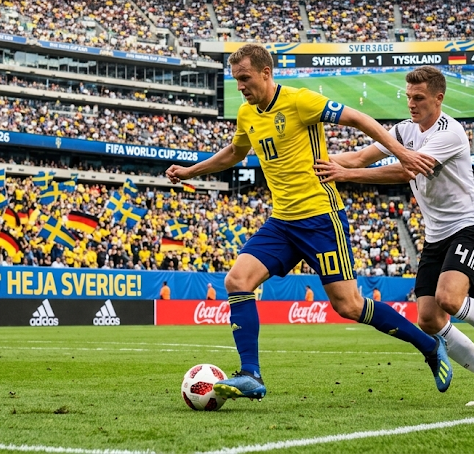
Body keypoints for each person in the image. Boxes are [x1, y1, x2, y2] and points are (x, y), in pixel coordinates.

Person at [166, 44, 449, 402]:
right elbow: (235, 153)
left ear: (266, 73)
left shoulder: (301, 101)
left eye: (245, 78)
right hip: (282, 221)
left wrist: (403, 151)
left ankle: (428, 345)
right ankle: (251, 373)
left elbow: (359, 119)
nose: (240, 86)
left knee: (348, 306)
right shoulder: (246, 113)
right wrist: (192, 171)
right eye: (236, 80)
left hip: (320, 218)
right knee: (237, 279)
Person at [315, 65, 474, 406]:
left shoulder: (449, 133)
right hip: (436, 235)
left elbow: (406, 168)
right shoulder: (405, 130)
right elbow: (361, 155)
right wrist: (314, 161)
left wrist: (345, 175)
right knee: (430, 319)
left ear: (439, 97)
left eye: (418, 98)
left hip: (469, 226)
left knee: (450, 300)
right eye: (408, 97)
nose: (411, 104)